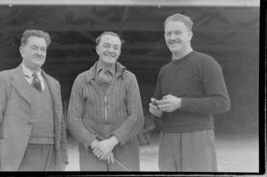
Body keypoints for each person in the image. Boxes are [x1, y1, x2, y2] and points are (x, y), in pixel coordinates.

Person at [149, 13, 230, 172]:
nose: (172, 37)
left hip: (197, 137)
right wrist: (157, 111)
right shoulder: (164, 71)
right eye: (168, 33)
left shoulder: (206, 63)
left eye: (177, 32)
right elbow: (161, 107)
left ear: (189, 35)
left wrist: (180, 103)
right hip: (168, 138)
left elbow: (222, 103)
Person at [0, 30, 68, 171]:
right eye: (34, 48)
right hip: (17, 157)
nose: (39, 53)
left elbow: (61, 125)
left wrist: (63, 160)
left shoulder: (54, 84)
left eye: (43, 49)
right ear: (22, 51)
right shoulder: (3, 79)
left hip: (51, 157)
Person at [67, 31, 144, 171]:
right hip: (92, 152)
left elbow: (136, 117)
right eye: (106, 46)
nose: (111, 50)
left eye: (115, 47)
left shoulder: (129, 79)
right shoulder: (81, 80)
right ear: (97, 49)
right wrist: (95, 144)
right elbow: (73, 118)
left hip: (125, 150)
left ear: (119, 52)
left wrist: (111, 143)